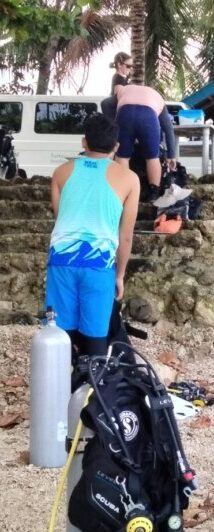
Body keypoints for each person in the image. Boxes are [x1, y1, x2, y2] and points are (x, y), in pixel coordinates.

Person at [45, 113, 140, 357]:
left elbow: (60, 216)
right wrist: (120, 275)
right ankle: (93, 378)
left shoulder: (60, 172)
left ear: (84, 142)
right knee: (96, 335)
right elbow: (125, 236)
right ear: (116, 146)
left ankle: (61, 377)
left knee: (59, 333)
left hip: (62, 259)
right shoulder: (129, 179)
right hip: (100, 263)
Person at [114, 84, 176, 195]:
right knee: (152, 157)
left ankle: (123, 192)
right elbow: (168, 128)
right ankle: (153, 193)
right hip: (148, 116)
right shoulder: (157, 97)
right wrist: (171, 155)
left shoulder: (122, 90)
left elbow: (105, 104)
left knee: (122, 156)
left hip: (125, 113)